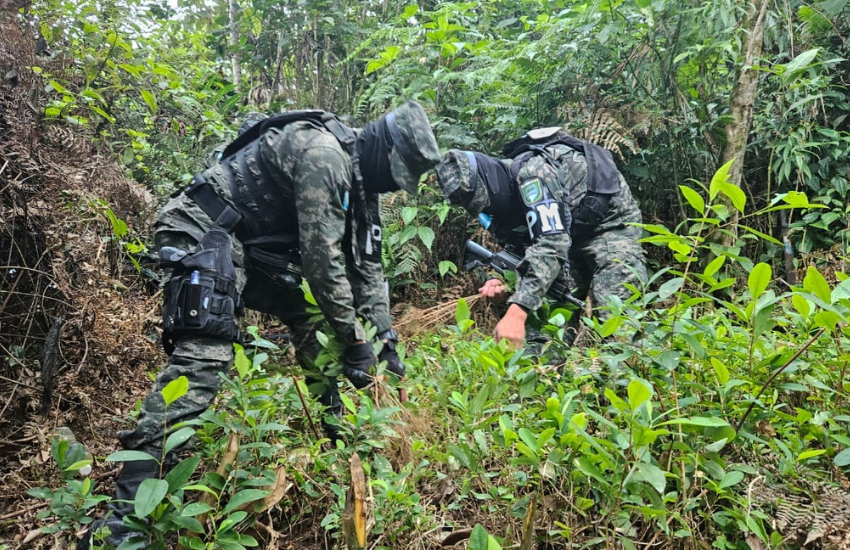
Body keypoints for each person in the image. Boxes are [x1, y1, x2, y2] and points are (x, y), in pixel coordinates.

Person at [82, 101, 439, 548]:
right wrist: (354, 341)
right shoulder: (324, 156)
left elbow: (366, 267)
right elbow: (322, 262)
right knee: (204, 359)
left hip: (252, 249)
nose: (393, 187)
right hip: (204, 229)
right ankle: (123, 521)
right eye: (397, 174)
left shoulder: (361, 182)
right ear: (385, 150)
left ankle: (336, 436)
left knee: (311, 320)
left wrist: (385, 339)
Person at [435, 126, 646, 350]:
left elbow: (550, 244)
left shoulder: (534, 175)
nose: (485, 209)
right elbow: (520, 250)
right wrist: (501, 281)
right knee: (547, 331)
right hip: (569, 240)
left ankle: (620, 376)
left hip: (610, 228)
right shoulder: (495, 205)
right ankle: (549, 375)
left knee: (615, 323)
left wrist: (517, 311)